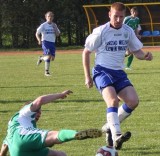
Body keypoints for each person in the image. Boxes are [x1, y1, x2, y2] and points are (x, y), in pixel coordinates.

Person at [82, 2, 152, 150]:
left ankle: (109, 126)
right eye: (115, 16)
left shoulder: (127, 31)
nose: (118, 20)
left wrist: (145, 56)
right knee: (112, 101)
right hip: (102, 71)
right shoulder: (101, 31)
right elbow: (86, 52)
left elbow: (136, 51)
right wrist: (87, 77)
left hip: (119, 73)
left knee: (133, 101)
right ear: (109, 15)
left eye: (121, 17)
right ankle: (116, 135)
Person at [0, 90, 102, 156]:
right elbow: (40, 100)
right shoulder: (23, 112)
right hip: (23, 138)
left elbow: (5, 146)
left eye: (40, 111)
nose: (39, 113)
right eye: (37, 111)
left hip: (16, 152)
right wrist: (60, 95)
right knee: (54, 135)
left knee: (60, 155)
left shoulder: (12, 125)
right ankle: (75, 134)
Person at [35, 11, 60, 76]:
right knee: (48, 56)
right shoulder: (43, 25)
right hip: (45, 42)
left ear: (53, 17)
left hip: (52, 43)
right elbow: (37, 33)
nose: (50, 17)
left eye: (51, 16)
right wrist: (39, 40)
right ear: (46, 17)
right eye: (49, 16)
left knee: (52, 58)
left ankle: (41, 58)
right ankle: (46, 72)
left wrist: (55, 28)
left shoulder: (54, 25)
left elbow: (57, 34)